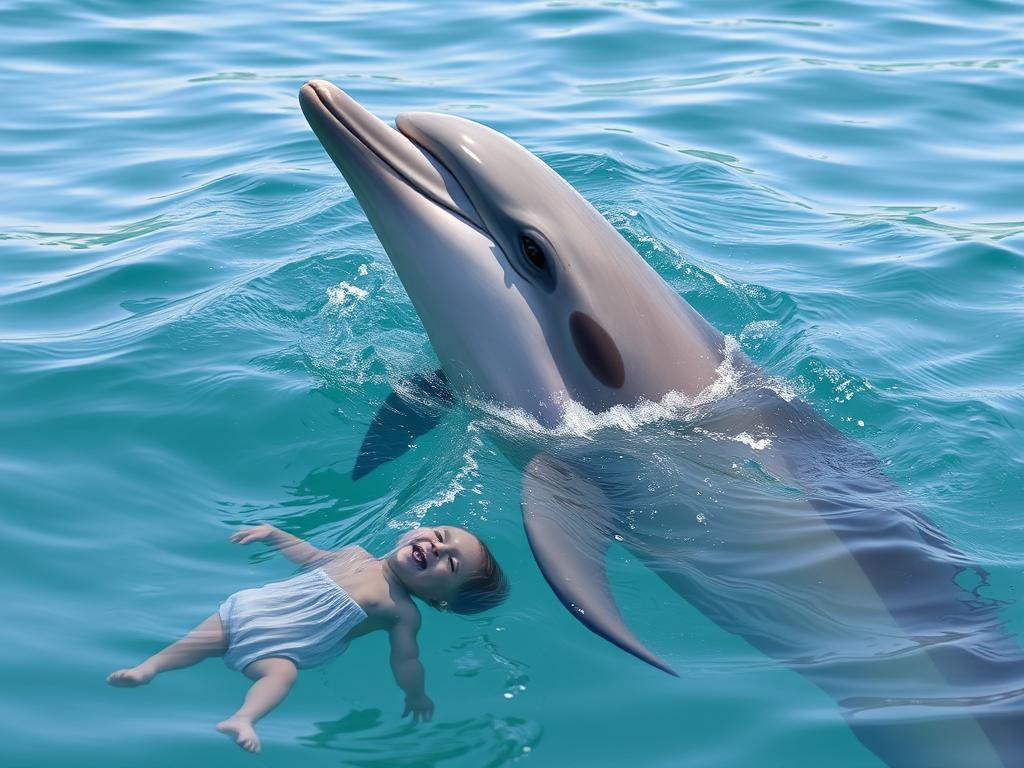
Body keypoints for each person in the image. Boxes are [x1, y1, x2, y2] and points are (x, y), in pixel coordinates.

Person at [107, 522, 509, 753]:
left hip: (285, 648)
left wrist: (415, 693)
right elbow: (311, 556)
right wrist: (275, 534)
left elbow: (405, 659)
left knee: (280, 676)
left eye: (450, 562)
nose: (437, 548)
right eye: (440, 535)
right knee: (198, 641)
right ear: (412, 532)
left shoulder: (403, 613)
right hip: (257, 610)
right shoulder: (354, 553)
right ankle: (148, 669)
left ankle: (243, 719)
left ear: (440, 601)